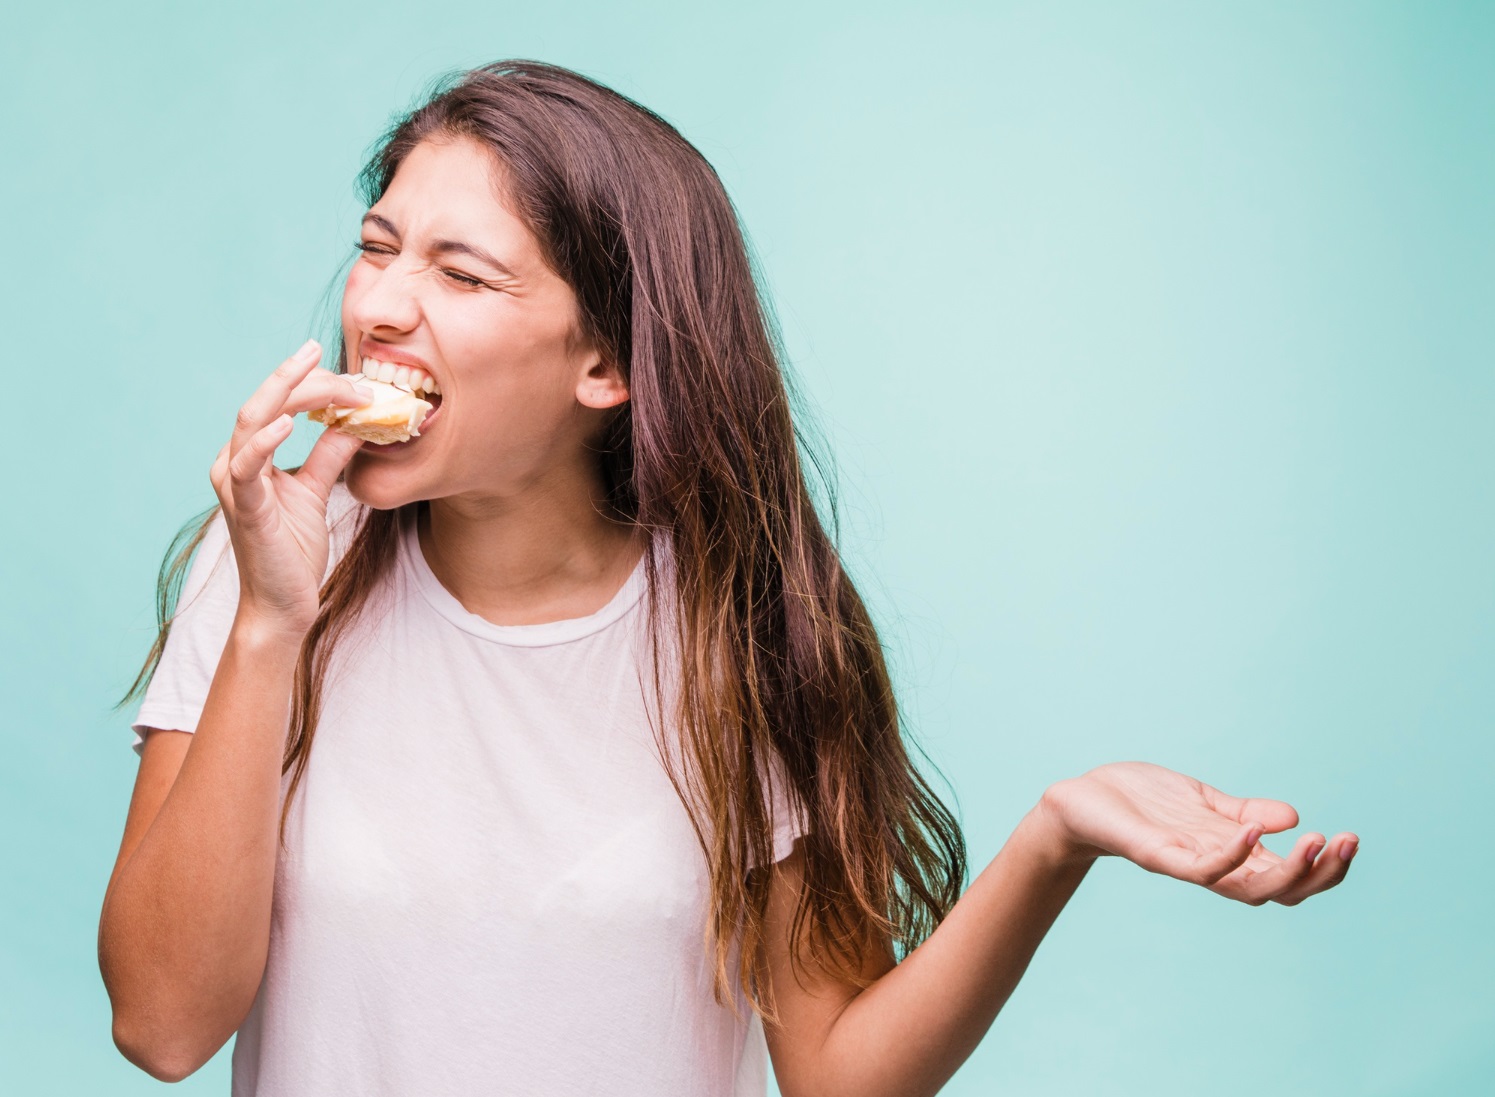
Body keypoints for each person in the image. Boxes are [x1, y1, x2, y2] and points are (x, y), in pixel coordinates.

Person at [98, 60, 1358, 1096]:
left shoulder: (743, 630)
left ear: (607, 364)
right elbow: (162, 1025)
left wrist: (1054, 840)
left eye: (462, 273)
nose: (379, 305)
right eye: (378, 247)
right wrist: (269, 623)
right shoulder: (266, 560)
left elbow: (839, 1075)